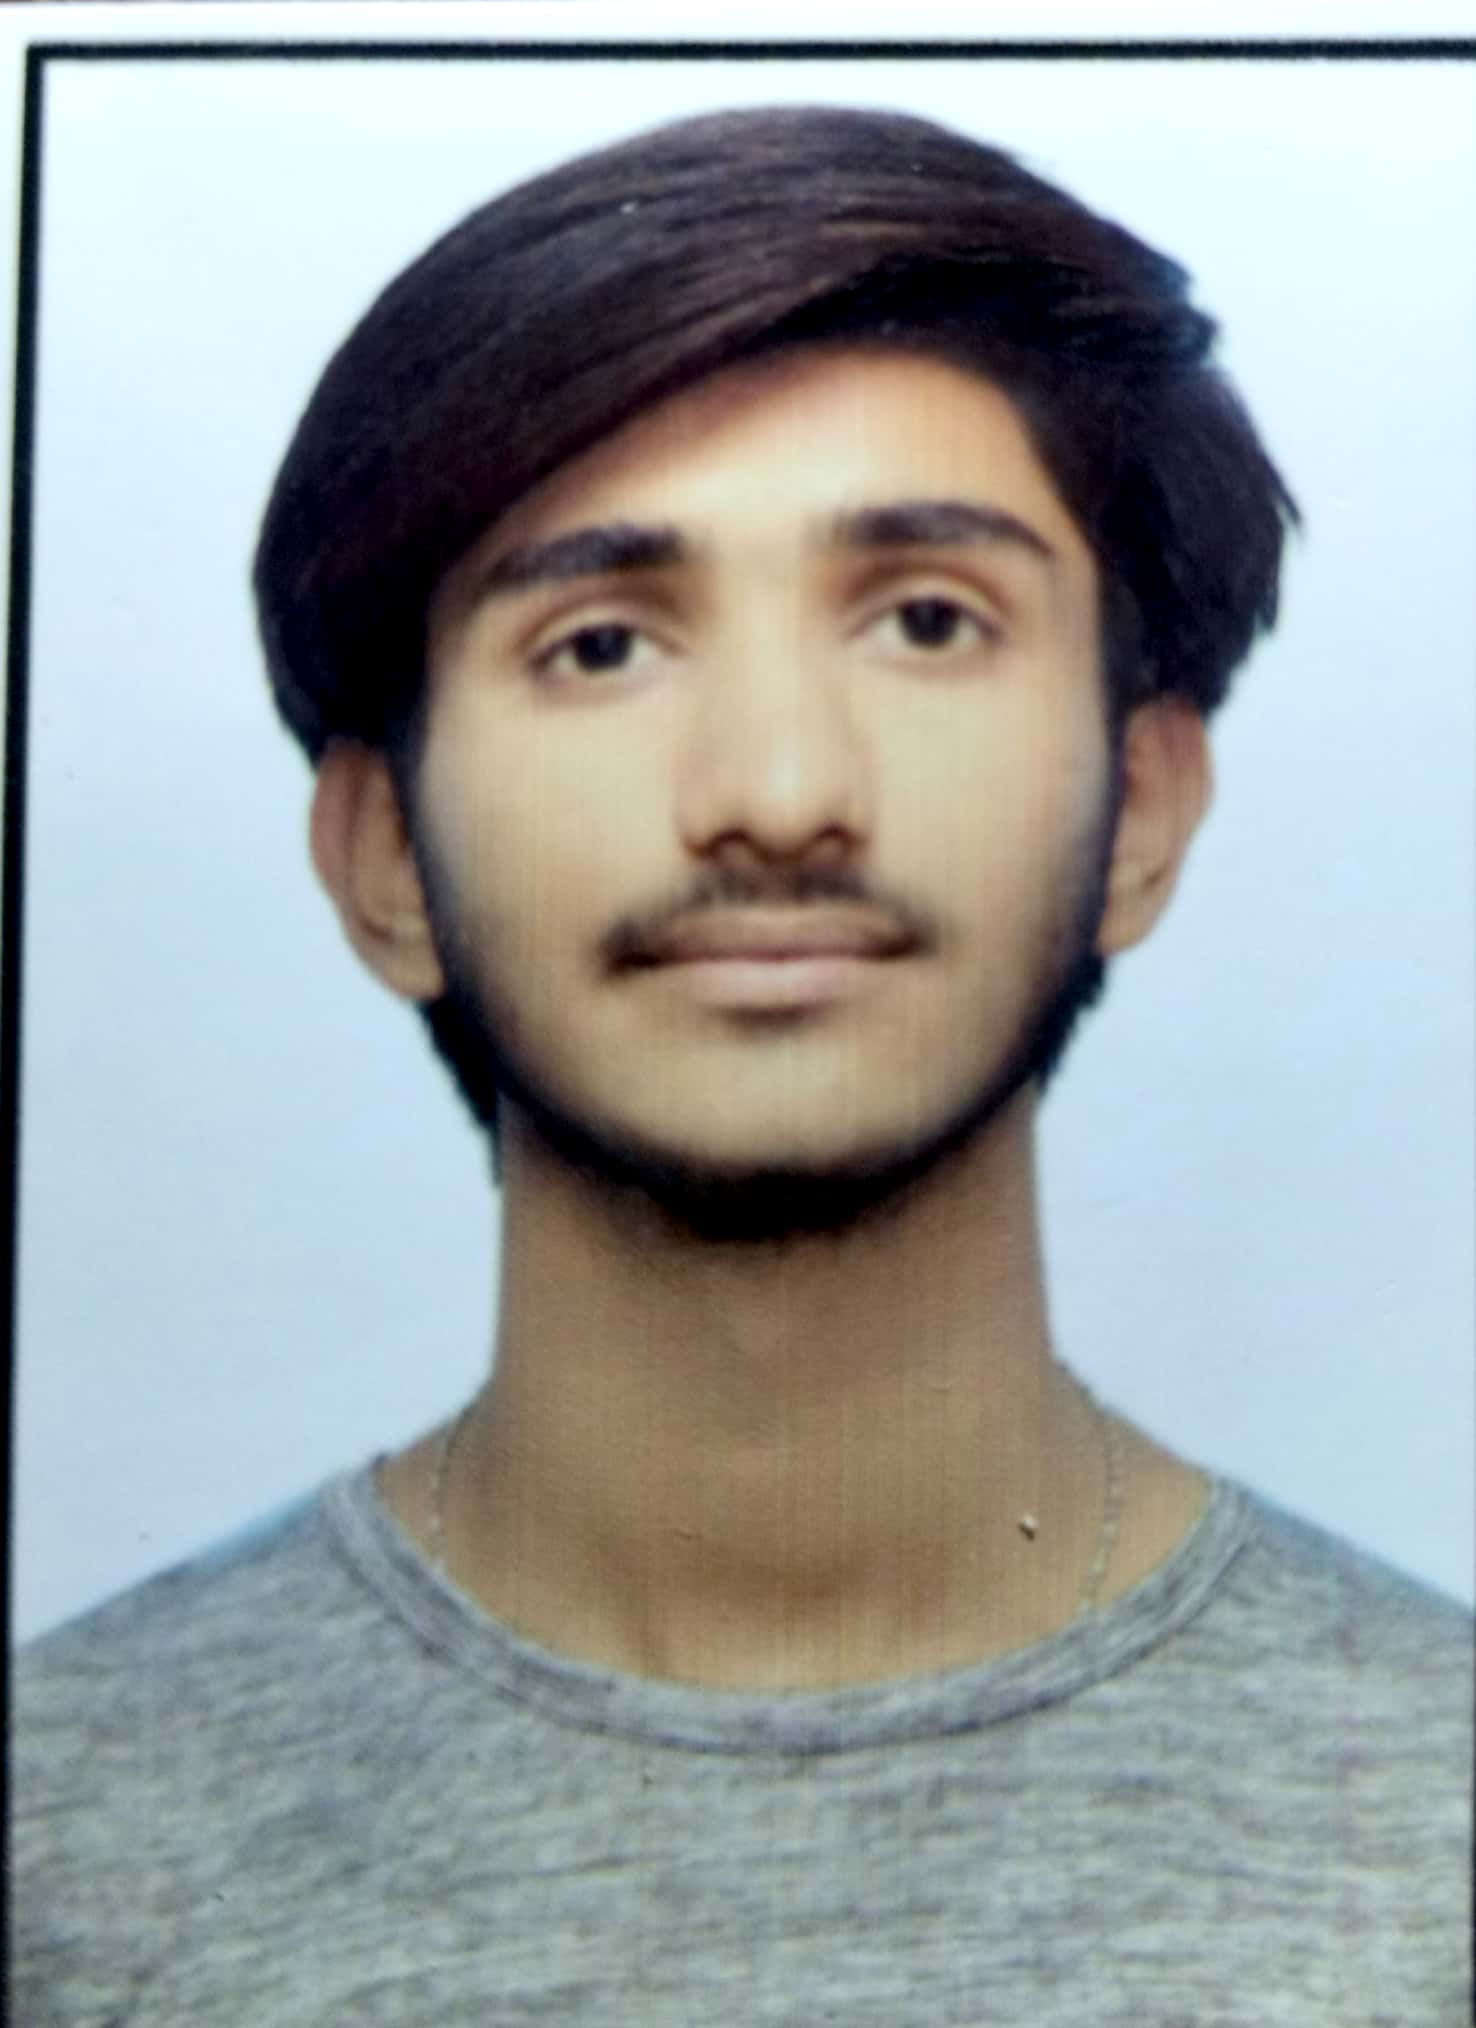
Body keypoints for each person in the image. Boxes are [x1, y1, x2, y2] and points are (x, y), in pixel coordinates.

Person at [13, 104, 1470, 2023]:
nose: (777, 794)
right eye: (604, 646)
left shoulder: (1435, 1840)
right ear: (380, 858)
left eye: (928, 621)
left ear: (1142, 807)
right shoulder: (59, 1852)